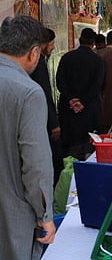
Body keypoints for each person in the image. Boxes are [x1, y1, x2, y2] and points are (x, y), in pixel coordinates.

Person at [0, 15, 56, 259]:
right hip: (13, 216)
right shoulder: (28, 92)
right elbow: (36, 166)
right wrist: (46, 216)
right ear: (34, 53)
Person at [56, 28, 104, 158]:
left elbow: (59, 82)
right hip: (89, 109)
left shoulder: (67, 57)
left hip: (68, 108)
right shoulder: (97, 60)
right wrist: (82, 101)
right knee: (88, 146)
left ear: (80, 40)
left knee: (69, 147)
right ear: (93, 43)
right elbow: (97, 86)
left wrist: (71, 99)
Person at [30, 28, 63, 186]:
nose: (53, 47)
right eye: (52, 43)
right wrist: (54, 123)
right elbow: (44, 92)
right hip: (42, 119)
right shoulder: (39, 64)